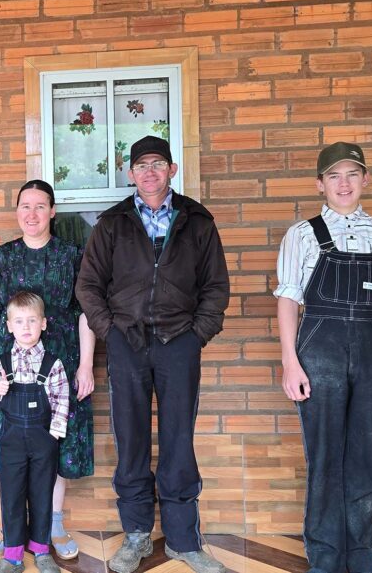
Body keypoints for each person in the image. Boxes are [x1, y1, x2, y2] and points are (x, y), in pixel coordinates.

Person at [75, 135, 229, 573]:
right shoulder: (112, 223)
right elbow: (88, 286)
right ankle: (138, 534)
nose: (149, 172)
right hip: (128, 342)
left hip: (180, 341)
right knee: (131, 439)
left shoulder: (197, 221)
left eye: (158, 164)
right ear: (130, 174)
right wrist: (110, 331)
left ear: (172, 170)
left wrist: (198, 334)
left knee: (179, 439)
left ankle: (183, 540)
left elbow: (216, 286)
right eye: (141, 165)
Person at [275, 142, 372, 573]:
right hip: (320, 348)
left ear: (366, 180)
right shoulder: (302, 233)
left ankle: (361, 553)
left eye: (353, 174)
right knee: (325, 457)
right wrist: (290, 361)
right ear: (320, 183)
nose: (344, 183)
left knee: (366, 458)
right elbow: (287, 299)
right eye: (334, 176)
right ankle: (324, 556)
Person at [0, 179, 96, 561]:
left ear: (52, 211)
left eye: (40, 206)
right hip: (10, 365)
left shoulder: (73, 256)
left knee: (54, 440)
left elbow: (86, 314)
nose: (32, 214)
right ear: (17, 212)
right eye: (25, 206)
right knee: (12, 440)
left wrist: (88, 365)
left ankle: (54, 523)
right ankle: (10, 525)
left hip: (60, 359)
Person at [0, 291, 69, 573]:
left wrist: (55, 434)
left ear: (43, 323)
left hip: (44, 439)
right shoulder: (3, 362)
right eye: (19, 322)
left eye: (32, 321)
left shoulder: (52, 362)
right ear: (9, 326)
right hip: (12, 439)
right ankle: (13, 555)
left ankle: (42, 550)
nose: (26, 327)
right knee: (12, 494)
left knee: (42, 492)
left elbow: (61, 398)